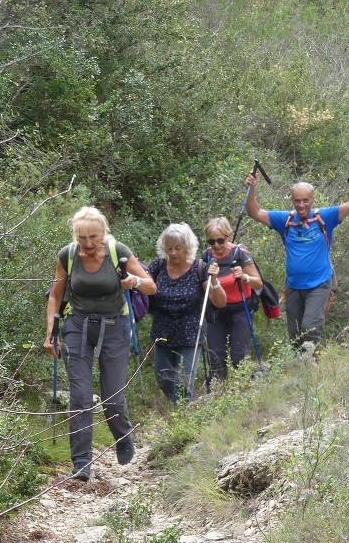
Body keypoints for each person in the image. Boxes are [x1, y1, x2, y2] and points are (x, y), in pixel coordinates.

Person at [44, 206, 156, 481]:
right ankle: (81, 462)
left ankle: (123, 435)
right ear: (76, 235)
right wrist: (50, 333)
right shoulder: (67, 255)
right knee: (81, 397)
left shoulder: (119, 252)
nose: (88, 244)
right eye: (82, 238)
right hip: (77, 327)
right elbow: (55, 297)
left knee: (112, 397)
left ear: (103, 233)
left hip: (114, 327)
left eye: (93, 237)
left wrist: (134, 281)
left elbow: (151, 287)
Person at [244, 164, 349, 353]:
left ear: (312, 199)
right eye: (297, 201)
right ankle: (303, 371)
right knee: (295, 336)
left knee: (309, 329)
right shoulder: (284, 220)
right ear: (292, 201)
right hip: (294, 287)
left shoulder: (325, 217)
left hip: (319, 285)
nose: (301, 205)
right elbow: (255, 213)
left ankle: (311, 366)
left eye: (305, 201)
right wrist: (251, 188)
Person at [144, 223, 224, 404]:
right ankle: (180, 412)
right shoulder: (158, 266)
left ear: (187, 247)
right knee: (163, 380)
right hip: (162, 331)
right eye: (169, 248)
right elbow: (144, 285)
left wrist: (215, 281)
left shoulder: (199, 269)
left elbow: (220, 302)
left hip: (190, 333)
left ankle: (182, 422)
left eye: (178, 248)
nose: (173, 253)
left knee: (182, 384)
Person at [202, 216, 263, 385]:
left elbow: (258, 283)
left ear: (229, 237)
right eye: (212, 241)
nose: (216, 245)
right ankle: (219, 393)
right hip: (216, 311)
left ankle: (250, 388)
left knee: (239, 356)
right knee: (215, 356)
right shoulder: (206, 256)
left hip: (240, 309)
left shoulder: (240, 253)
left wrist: (244, 277)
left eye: (220, 240)